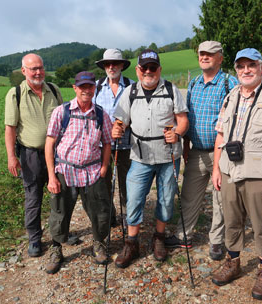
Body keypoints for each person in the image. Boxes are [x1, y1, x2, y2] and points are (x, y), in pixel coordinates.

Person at [211, 48, 262, 300]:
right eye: (241, 66)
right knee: (232, 221)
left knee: (261, 225)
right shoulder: (230, 96)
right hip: (229, 170)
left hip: (258, 174)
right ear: (236, 70)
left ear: (261, 67)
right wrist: (216, 168)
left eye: (251, 65)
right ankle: (233, 262)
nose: (246, 70)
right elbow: (221, 135)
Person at [111, 49, 189, 268]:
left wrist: (178, 133)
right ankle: (132, 242)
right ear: (137, 70)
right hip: (139, 156)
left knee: (165, 199)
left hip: (168, 156)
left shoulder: (172, 90)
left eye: (152, 67)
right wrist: (117, 129)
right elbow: (120, 120)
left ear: (159, 69)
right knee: (134, 199)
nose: (148, 71)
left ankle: (159, 238)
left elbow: (182, 120)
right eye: (144, 67)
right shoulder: (130, 92)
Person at [165, 41, 238, 261]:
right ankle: (183, 235)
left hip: (222, 152)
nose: (204, 57)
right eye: (201, 54)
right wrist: (186, 148)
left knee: (220, 198)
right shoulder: (194, 83)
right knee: (189, 195)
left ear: (220, 58)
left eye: (209, 54)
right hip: (196, 150)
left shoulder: (229, 83)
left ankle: (217, 241)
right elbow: (186, 119)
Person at [44, 71, 113, 274]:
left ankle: (98, 244)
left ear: (94, 89)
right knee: (59, 212)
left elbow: (107, 142)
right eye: (82, 87)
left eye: (90, 86)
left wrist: (104, 167)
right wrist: (51, 175)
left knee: (99, 210)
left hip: (92, 171)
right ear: (75, 88)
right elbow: (50, 143)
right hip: (65, 170)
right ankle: (56, 249)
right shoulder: (61, 112)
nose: (86, 90)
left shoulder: (100, 114)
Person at [4, 53, 63, 257]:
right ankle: (35, 239)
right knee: (33, 197)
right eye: (33, 69)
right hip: (30, 154)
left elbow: (65, 118)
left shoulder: (54, 90)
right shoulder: (15, 94)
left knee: (59, 193)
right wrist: (12, 157)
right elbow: (10, 128)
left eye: (40, 67)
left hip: (56, 153)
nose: (38, 72)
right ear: (24, 71)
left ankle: (60, 233)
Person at [95, 49, 135, 227]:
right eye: (108, 64)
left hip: (126, 144)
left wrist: (123, 125)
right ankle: (108, 214)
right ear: (104, 66)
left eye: (115, 64)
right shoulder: (96, 87)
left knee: (127, 181)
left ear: (121, 66)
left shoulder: (132, 86)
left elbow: (140, 113)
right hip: (102, 145)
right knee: (103, 181)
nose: (111, 67)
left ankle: (127, 215)